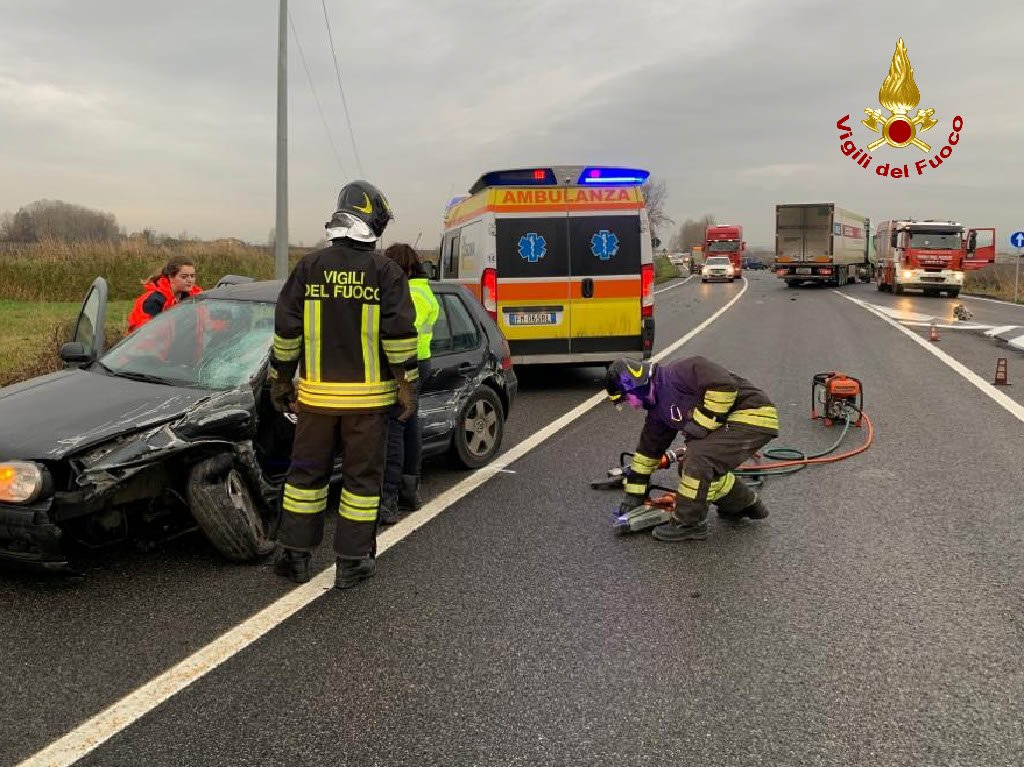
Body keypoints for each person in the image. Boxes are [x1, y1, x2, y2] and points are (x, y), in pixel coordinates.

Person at [269, 180, 418, 589]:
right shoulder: (385, 271)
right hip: (368, 407)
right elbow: (401, 336)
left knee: (305, 478)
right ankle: (352, 564)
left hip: (315, 401)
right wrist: (407, 385)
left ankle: (294, 558)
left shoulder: (309, 268)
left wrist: (280, 380)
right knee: (362, 484)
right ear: (370, 220)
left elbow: (286, 333)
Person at [606, 356, 779, 542]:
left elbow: (723, 386)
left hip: (753, 415)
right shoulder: (657, 412)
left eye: (627, 397)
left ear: (635, 383)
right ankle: (743, 504)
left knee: (698, 458)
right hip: (732, 422)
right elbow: (647, 454)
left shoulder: (680, 371)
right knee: (691, 467)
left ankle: (688, 523)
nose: (632, 405)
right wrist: (634, 497)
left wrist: (702, 423)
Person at [378, 243, 440, 524]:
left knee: (395, 427)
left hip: (405, 365)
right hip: (422, 361)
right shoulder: (424, 289)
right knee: (410, 423)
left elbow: (397, 331)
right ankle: (409, 491)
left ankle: (389, 498)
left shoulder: (409, 293)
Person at [127, 257, 201, 332]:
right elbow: (146, 334)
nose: (190, 280)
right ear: (171, 277)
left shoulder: (193, 296)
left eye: (192, 276)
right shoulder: (153, 300)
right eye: (184, 277)